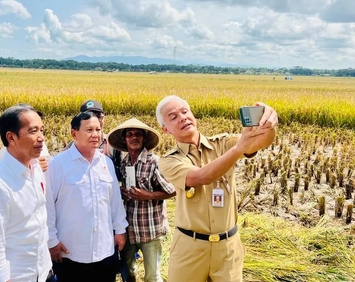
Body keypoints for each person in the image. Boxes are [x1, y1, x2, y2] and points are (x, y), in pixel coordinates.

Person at [155, 95, 278, 282]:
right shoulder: (169, 160)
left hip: (227, 247)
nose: (182, 118)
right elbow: (200, 177)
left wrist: (269, 125)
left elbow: (260, 142)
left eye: (185, 111)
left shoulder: (222, 143)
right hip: (189, 248)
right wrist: (237, 150)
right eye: (173, 117)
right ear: (166, 130)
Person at [45, 111, 128, 282]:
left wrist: (120, 230)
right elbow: (47, 206)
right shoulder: (57, 164)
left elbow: (114, 202)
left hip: (105, 249)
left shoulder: (106, 163)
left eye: (98, 130)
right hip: (71, 251)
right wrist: (51, 241)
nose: (95, 135)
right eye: (89, 130)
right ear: (74, 133)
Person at [0, 104, 53, 282]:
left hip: (43, 271)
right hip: (19, 276)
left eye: (42, 130)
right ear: (11, 137)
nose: (41, 138)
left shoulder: (36, 169)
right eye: (33, 131)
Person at [107, 118, 176, 282]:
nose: (134, 137)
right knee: (129, 271)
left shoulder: (154, 162)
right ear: (125, 139)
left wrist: (148, 195)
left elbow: (173, 190)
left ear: (144, 138)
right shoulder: (124, 164)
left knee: (152, 276)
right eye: (129, 134)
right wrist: (122, 192)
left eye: (138, 134)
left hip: (150, 229)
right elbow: (125, 190)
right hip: (129, 228)